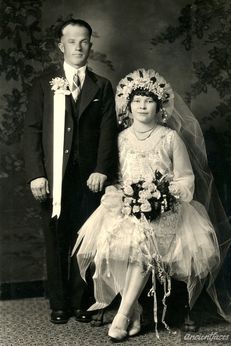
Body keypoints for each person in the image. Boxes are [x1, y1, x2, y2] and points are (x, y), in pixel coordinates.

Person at [72, 68, 231, 341]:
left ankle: (123, 314)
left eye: (148, 101)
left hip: (166, 208)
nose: (142, 106)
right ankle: (133, 310)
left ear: (159, 106)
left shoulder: (170, 137)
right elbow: (115, 176)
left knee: (144, 242)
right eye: (137, 101)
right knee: (120, 238)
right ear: (128, 106)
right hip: (127, 205)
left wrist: (163, 197)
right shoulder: (120, 139)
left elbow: (185, 178)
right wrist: (124, 195)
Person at [24, 18, 118, 324]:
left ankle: (82, 301)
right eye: (72, 41)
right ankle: (59, 303)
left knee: (86, 239)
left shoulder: (101, 86)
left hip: (88, 179)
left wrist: (102, 169)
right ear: (61, 45)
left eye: (84, 41)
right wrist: (37, 173)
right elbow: (32, 131)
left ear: (91, 45)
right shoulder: (43, 83)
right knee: (56, 241)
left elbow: (107, 132)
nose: (78, 47)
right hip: (52, 179)